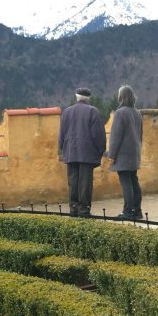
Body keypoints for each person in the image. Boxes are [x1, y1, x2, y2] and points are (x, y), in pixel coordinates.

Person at [58, 87, 106, 218]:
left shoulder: (67, 112)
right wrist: (100, 150)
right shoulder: (93, 111)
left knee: (73, 181)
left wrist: (62, 148)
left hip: (70, 152)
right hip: (87, 153)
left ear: (76, 97)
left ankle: (73, 208)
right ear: (88, 98)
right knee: (85, 183)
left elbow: (61, 134)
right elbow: (98, 134)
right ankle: (84, 210)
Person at [107, 85, 143, 220]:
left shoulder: (120, 113)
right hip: (134, 152)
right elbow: (140, 135)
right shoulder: (137, 113)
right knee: (134, 181)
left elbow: (115, 137)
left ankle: (128, 212)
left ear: (120, 97)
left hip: (123, 154)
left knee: (126, 182)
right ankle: (137, 211)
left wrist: (112, 155)